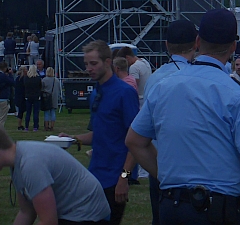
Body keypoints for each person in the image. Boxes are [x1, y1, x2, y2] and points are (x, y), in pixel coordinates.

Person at [126, 8, 240, 225]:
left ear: (198, 42)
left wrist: (167, 177)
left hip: (172, 206)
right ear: (233, 47)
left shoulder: (164, 86)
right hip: (219, 209)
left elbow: (134, 140)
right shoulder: (238, 95)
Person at [60, 40, 139, 225]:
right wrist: (74, 139)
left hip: (114, 178)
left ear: (108, 62)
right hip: (94, 175)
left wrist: (124, 177)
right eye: (86, 64)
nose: (89, 68)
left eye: (93, 63)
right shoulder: (96, 93)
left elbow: (136, 140)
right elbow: (101, 133)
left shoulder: (125, 93)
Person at [0, 123, 110, 225]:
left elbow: (49, 221)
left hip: (87, 216)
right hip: (74, 214)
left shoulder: (30, 164)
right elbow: (26, 212)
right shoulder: (17, 160)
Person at [139, 18, 197, 225]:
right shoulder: (198, 77)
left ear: (166, 45)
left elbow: (141, 132)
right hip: (191, 167)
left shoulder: (155, 79)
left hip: (160, 165)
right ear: (196, 43)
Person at [41, 66, 61, 132]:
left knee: (46, 113)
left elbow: (42, 89)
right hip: (54, 98)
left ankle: (46, 126)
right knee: (53, 112)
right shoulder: (57, 80)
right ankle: (52, 126)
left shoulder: (44, 80)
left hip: (46, 98)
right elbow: (59, 89)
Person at [24, 64, 43, 131]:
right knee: (35, 112)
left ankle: (26, 126)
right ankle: (35, 126)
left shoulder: (26, 78)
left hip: (28, 96)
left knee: (28, 112)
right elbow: (40, 87)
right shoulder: (38, 78)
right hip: (36, 96)